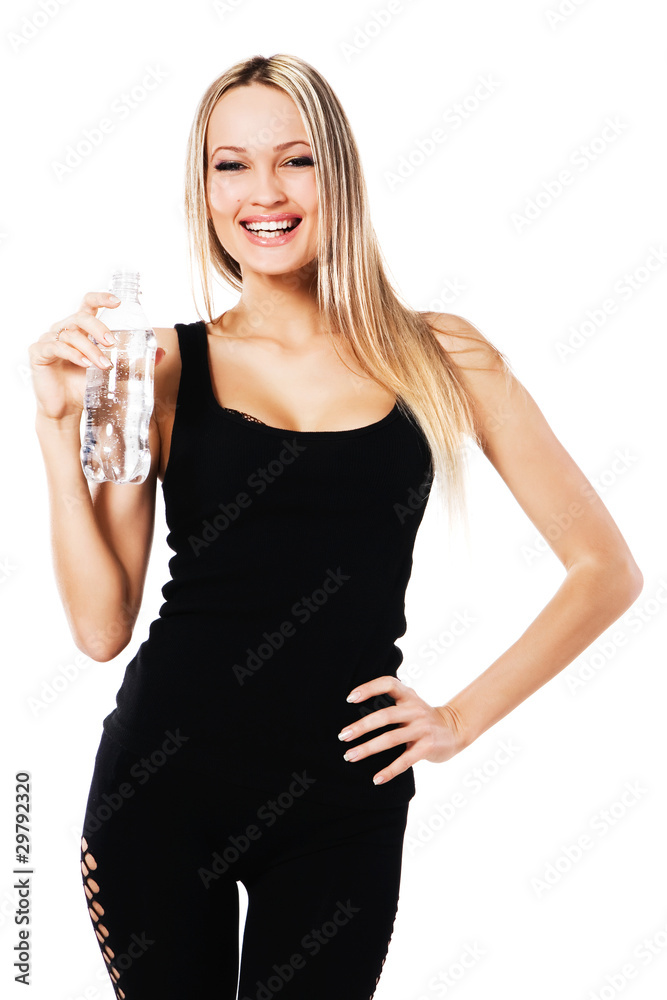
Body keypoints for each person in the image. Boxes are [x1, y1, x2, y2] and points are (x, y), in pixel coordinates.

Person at [29, 53, 643, 1000]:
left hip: (344, 801)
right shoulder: (154, 365)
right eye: (231, 165)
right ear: (203, 190)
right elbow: (100, 626)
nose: (264, 193)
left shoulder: (442, 355)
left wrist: (458, 720)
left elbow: (604, 567)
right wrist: (55, 427)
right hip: (161, 787)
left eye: (296, 160)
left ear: (340, 174)